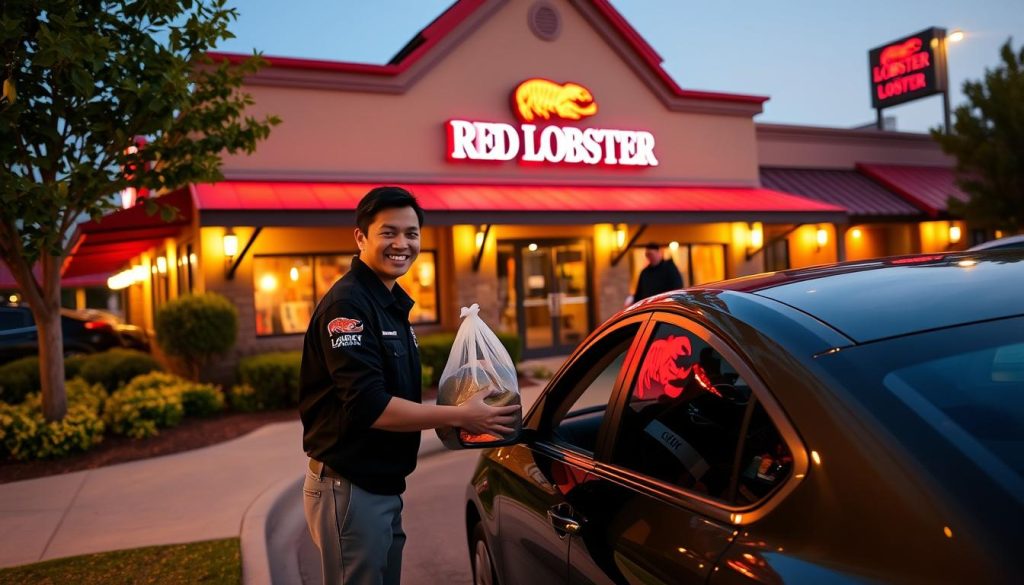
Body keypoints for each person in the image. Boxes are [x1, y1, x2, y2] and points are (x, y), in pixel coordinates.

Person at [299, 186, 520, 585]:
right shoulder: (347, 306)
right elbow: (370, 406)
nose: (402, 244)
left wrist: (468, 387)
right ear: (361, 237)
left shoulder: (391, 303)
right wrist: (461, 414)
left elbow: (395, 392)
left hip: (380, 487)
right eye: (389, 232)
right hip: (351, 488)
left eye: (411, 234)